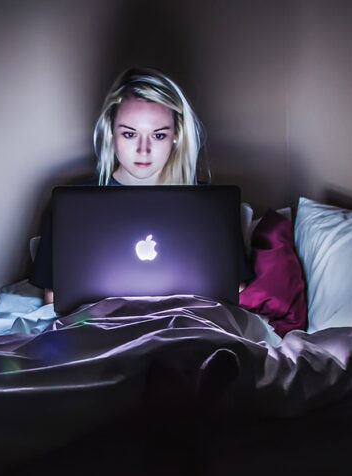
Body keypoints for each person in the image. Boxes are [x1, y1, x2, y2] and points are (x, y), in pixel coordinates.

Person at [30, 66, 253, 304]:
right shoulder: (71, 206)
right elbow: (54, 297)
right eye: (129, 134)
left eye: (158, 135)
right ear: (110, 132)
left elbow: (234, 290)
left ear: (176, 135)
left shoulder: (210, 205)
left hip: (184, 325)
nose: (143, 150)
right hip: (102, 329)